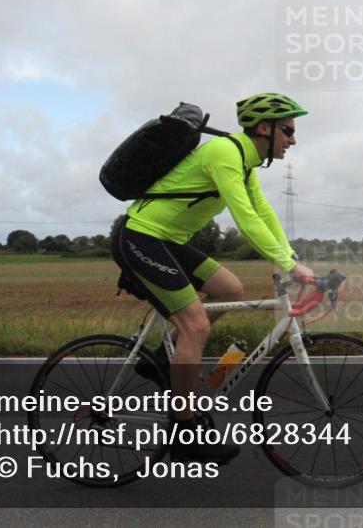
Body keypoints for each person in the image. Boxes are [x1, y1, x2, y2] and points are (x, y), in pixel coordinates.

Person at [112, 92, 315, 464]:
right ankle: (184, 434)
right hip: (140, 237)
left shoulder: (246, 163)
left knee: (229, 289)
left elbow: (263, 212)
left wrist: (290, 257)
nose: (293, 139)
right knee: (197, 326)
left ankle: (159, 360)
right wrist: (288, 265)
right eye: (287, 130)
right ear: (264, 128)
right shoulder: (225, 153)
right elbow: (244, 217)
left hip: (168, 242)